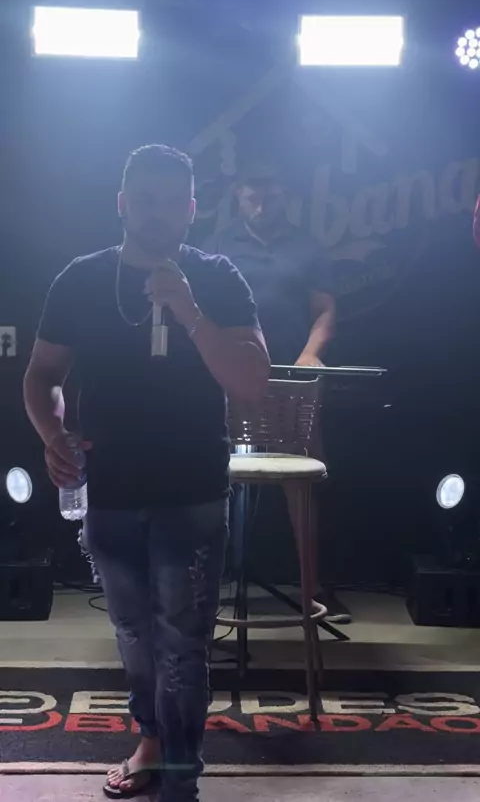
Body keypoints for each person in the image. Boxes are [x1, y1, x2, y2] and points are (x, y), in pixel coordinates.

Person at [24, 145, 270, 801]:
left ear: (191, 210)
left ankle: (182, 779)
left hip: (191, 489)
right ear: (122, 204)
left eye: (170, 203)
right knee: (134, 633)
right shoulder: (82, 279)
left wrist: (190, 311)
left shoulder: (216, 278)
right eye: (144, 200)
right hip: (109, 486)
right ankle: (152, 741)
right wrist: (52, 432)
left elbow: (251, 380)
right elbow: (42, 375)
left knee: (182, 643)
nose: (156, 214)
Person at [204, 164, 351, 625]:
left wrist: (310, 354)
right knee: (210, 476)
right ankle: (202, 588)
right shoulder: (220, 243)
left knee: (301, 484)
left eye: (270, 196)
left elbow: (325, 310)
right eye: (253, 196)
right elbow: (200, 307)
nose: (262, 204)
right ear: (239, 195)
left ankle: (312, 590)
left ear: (284, 195)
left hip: (291, 380)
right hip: (231, 378)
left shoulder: (307, 246)